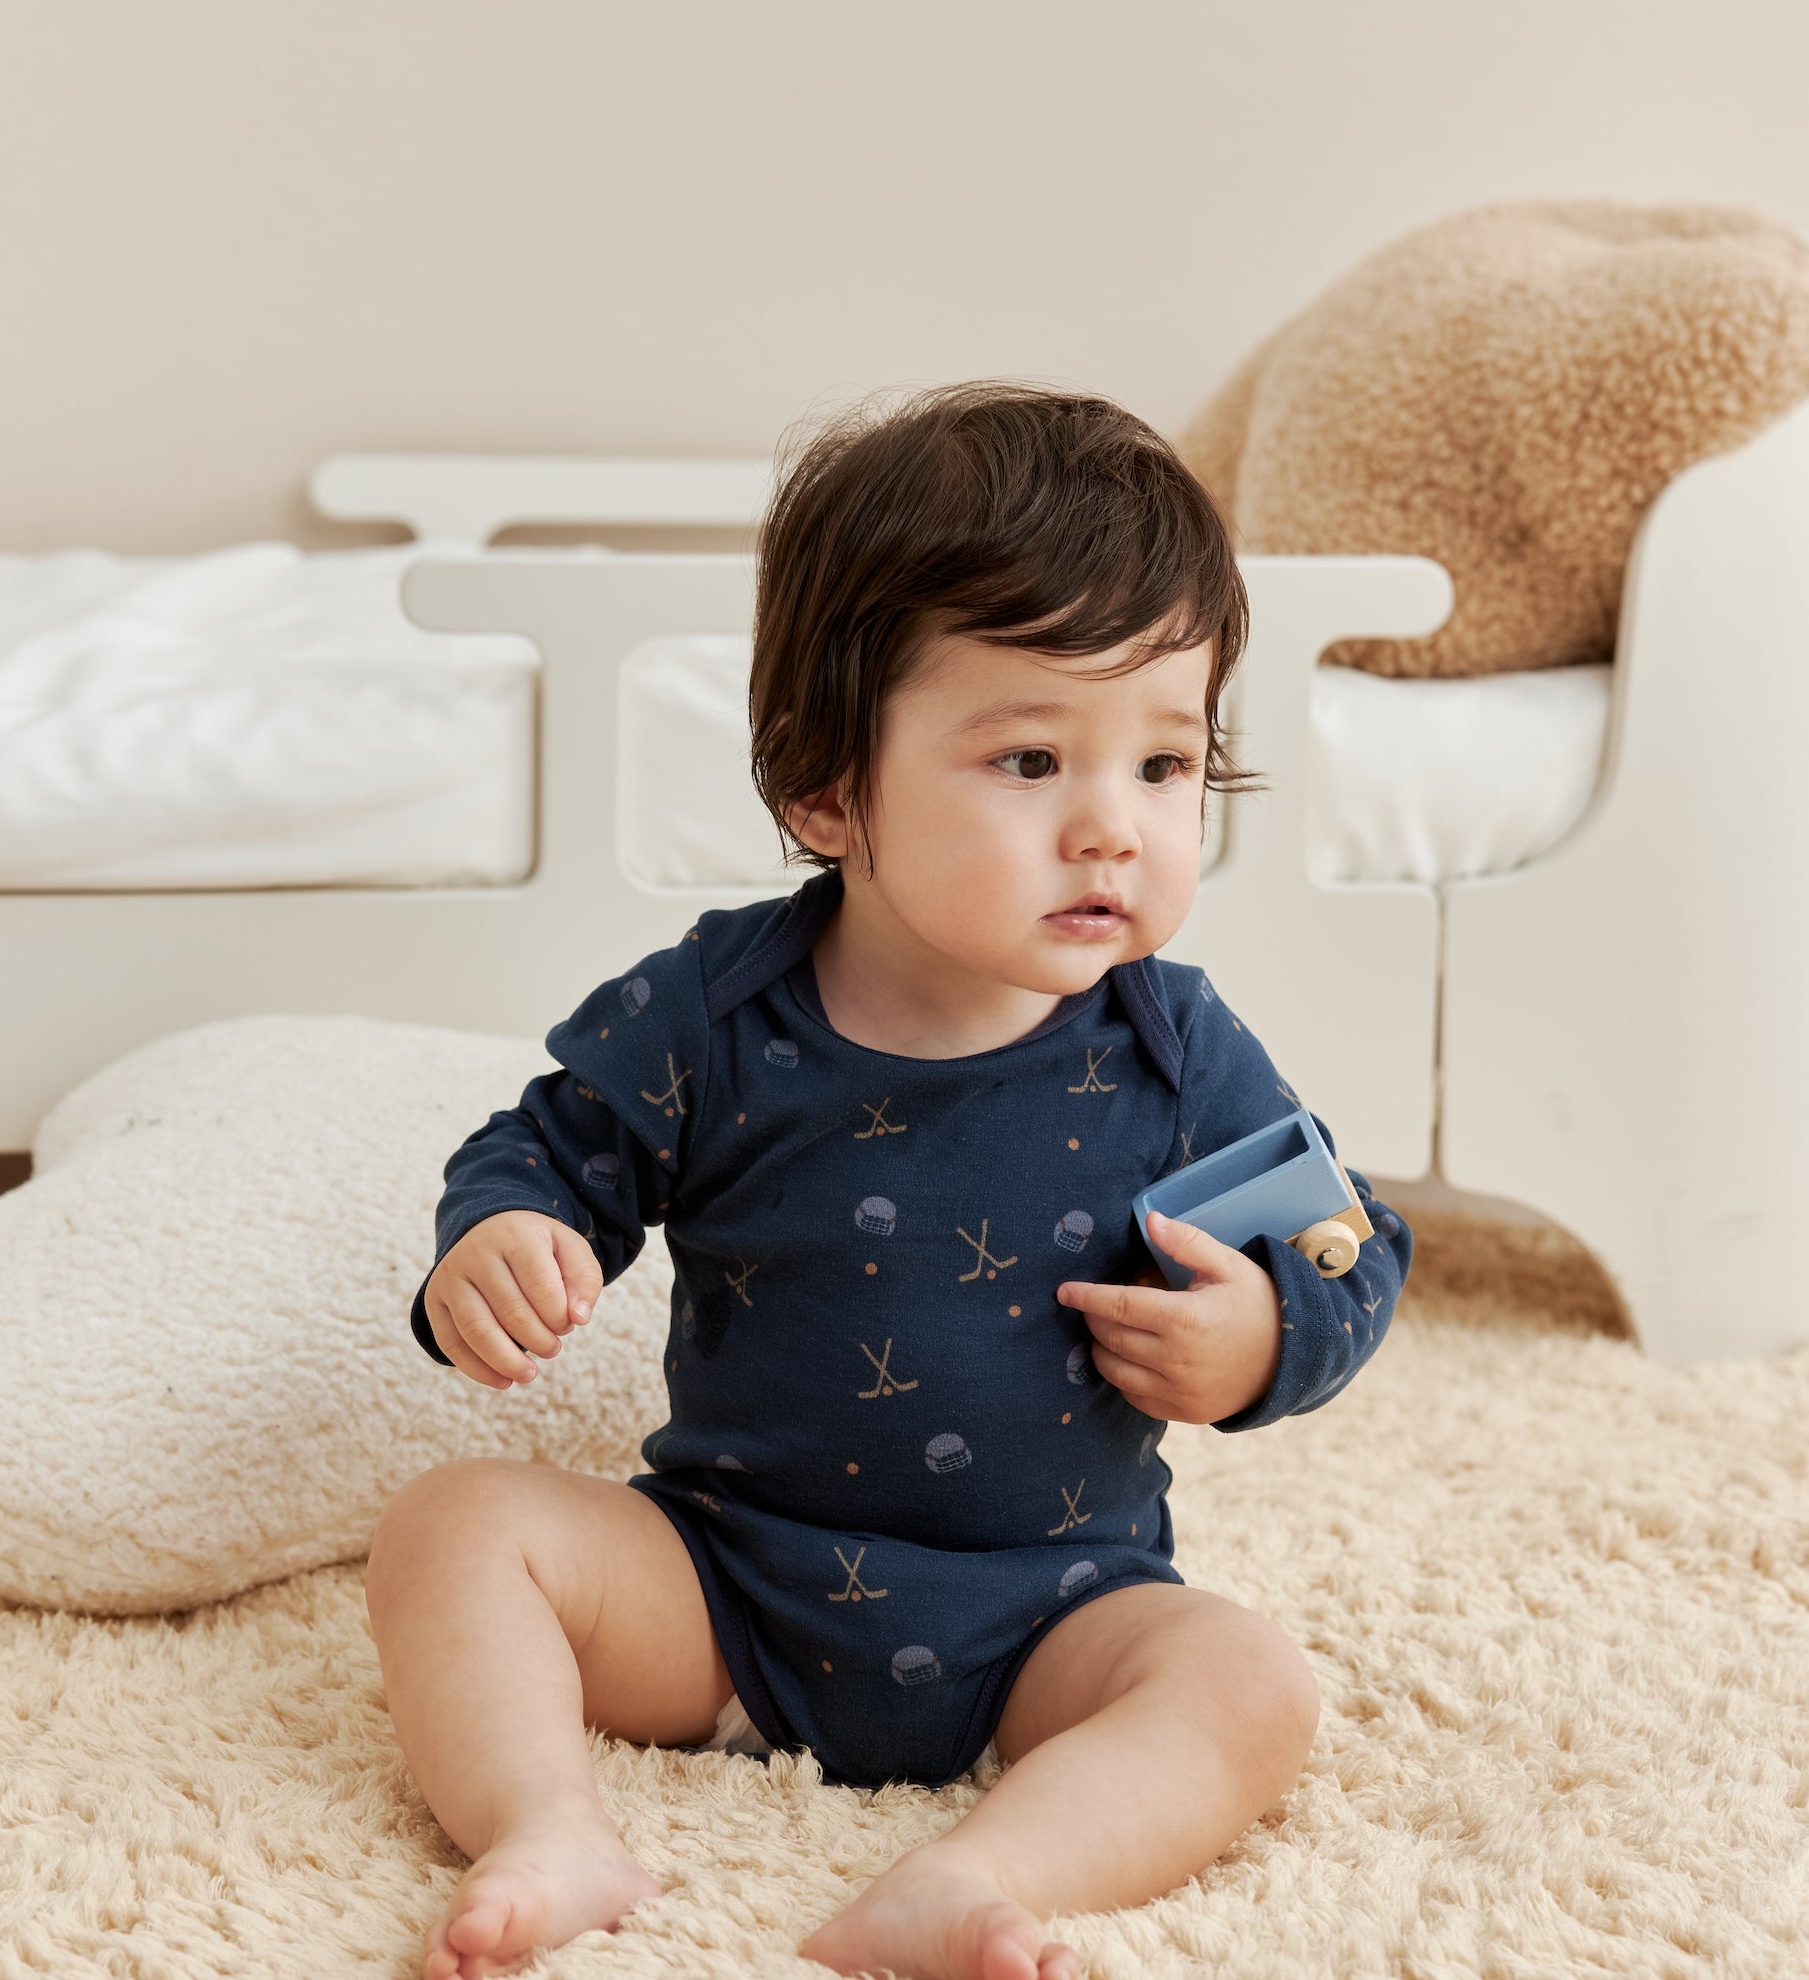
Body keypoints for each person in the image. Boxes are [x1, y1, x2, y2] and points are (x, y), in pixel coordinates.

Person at [366, 381, 1412, 1980]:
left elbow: (1350, 1250)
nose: (1108, 830)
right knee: (450, 1529)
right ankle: (546, 1824)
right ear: (828, 791)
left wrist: (1268, 1337)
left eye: (1162, 764)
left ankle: (983, 1875)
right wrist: (502, 1235)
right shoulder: (713, 1016)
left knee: (1247, 1680)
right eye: (1030, 759)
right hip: (725, 1590)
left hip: (1054, 1614)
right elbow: (547, 1147)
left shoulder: (1176, 1049)